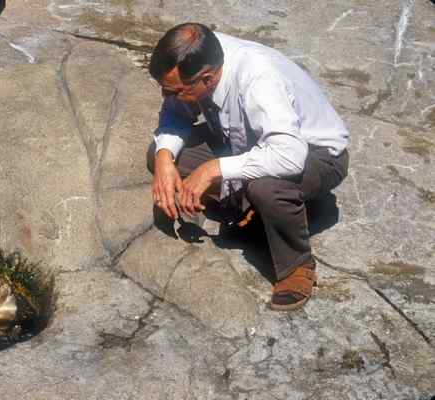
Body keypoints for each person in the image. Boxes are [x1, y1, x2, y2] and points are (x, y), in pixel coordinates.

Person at [146, 23, 349, 311]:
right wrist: (164, 158)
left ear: (206, 78)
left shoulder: (260, 79)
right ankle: (244, 206)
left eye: (174, 92)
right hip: (241, 142)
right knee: (162, 153)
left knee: (265, 188)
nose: (168, 98)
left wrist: (213, 169)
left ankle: (297, 266)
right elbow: (174, 116)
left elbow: (289, 155)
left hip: (316, 155)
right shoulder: (200, 58)